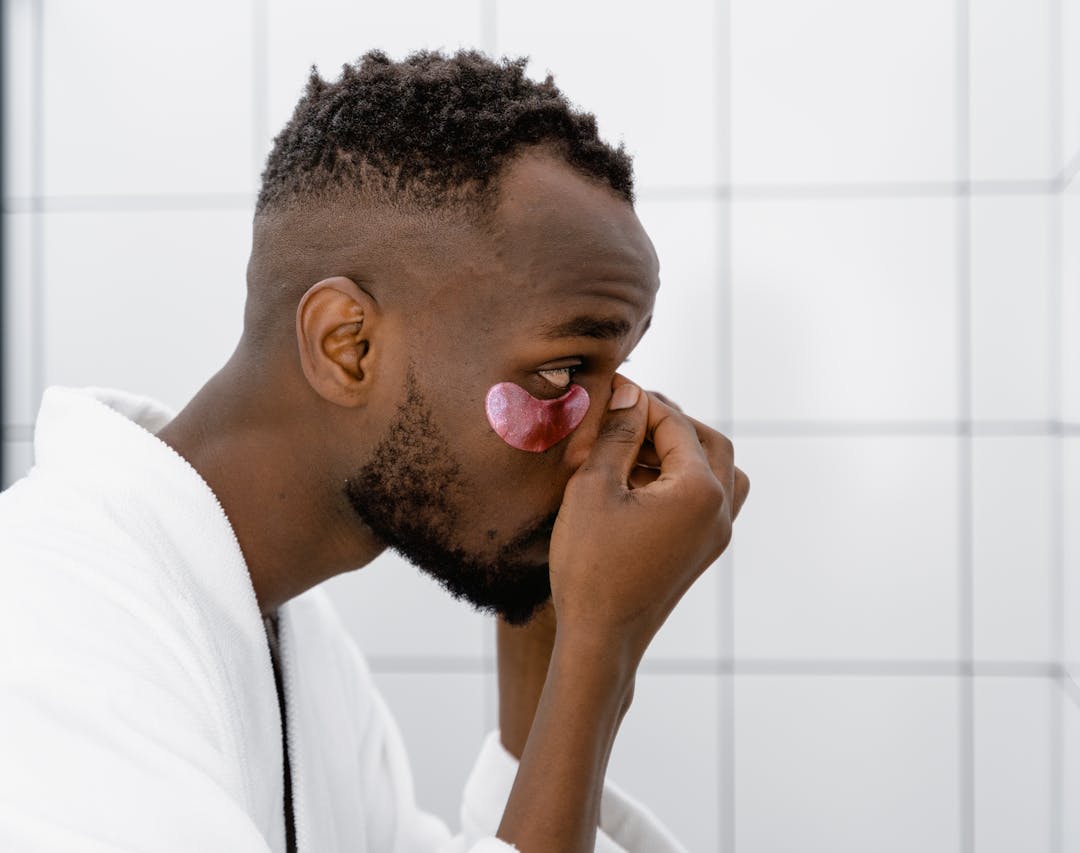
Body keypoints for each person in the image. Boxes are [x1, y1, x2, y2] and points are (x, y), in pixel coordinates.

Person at [0, 49, 748, 853]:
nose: (604, 434)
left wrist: (559, 640)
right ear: (348, 347)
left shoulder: (297, 640)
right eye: (562, 369)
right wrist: (599, 660)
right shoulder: (46, 632)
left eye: (619, 372)